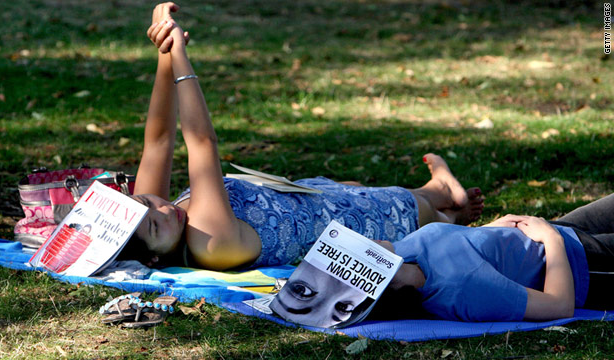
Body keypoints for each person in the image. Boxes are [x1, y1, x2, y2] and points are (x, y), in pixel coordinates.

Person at [120, 3, 484, 271]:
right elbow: (201, 143)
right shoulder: (209, 241)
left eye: (149, 202)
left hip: (306, 197)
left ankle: (440, 191)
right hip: (346, 223)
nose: (163, 208)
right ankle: (449, 212)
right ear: (154, 257)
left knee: (353, 186)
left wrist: (164, 52)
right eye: (155, 225)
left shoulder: (153, 215)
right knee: (403, 208)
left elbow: (159, 141)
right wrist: (182, 58)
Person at [367, 193, 614, 322]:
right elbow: (558, 306)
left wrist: (488, 230)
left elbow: (451, 247)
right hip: (584, 266)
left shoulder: (402, 250)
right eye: (362, 249)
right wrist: (552, 240)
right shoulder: (461, 289)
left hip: (558, 230)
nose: (365, 240)